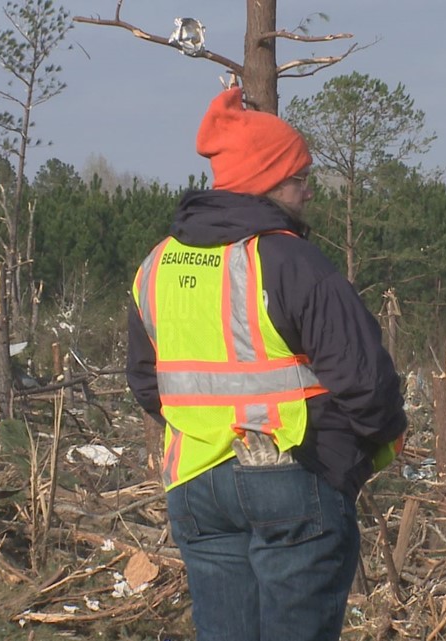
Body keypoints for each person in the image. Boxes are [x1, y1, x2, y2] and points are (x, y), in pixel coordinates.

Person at [126, 87, 407, 641]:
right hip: (292, 475)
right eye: (300, 178)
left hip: (196, 486)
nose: (307, 191)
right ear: (267, 178)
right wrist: (350, 461)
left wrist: (209, 429)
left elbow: (145, 382)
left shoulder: (156, 265)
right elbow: (367, 384)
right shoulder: (290, 259)